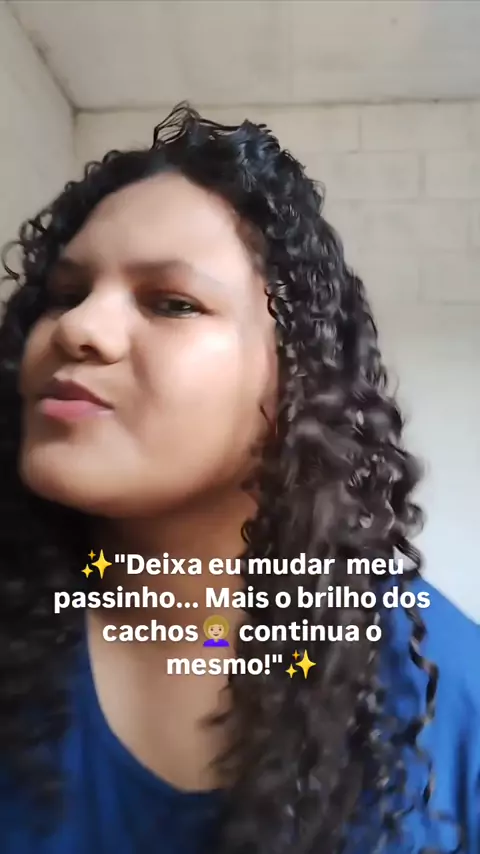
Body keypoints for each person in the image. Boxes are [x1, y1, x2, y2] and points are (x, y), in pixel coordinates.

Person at [0, 102, 478, 854]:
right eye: (64, 295)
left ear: (294, 386)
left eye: (173, 303)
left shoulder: (444, 691)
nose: (78, 329)